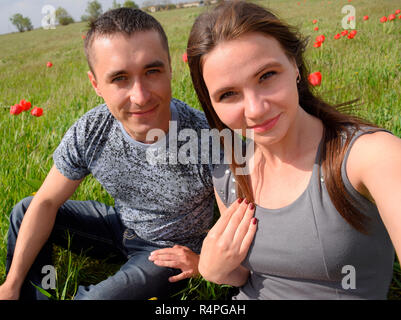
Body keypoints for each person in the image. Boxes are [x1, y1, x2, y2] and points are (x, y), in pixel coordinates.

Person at [186, 0, 401, 299]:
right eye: (228, 94)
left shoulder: (369, 156)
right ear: (212, 105)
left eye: (266, 76)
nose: (255, 109)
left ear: (295, 65)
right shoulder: (229, 174)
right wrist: (214, 270)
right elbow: (245, 275)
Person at [0, 8, 215, 300]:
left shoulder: (206, 137)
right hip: (119, 226)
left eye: (152, 71)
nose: (140, 96)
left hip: (166, 252)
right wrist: (11, 285)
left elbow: (247, 220)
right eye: (120, 79)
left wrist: (205, 264)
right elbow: (47, 202)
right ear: (96, 84)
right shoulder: (91, 130)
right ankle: (39, 291)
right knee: (26, 211)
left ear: (170, 68)